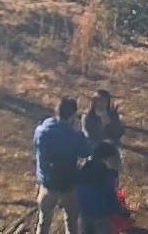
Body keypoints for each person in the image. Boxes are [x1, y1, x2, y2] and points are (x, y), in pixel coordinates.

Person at [35, 97, 93, 234]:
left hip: (47, 183)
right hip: (67, 185)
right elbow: (86, 152)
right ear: (73, 115)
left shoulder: (42, 130)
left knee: (43, 221)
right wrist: (80, 132)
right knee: (71, 221)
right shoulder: (73, 135)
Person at [76, 141, 129, 234]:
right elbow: (110, 196)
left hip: (82, 213)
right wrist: (121, 211)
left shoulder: (83, 169)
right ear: (106, 158)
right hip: (100, 215)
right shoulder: (107, 174)